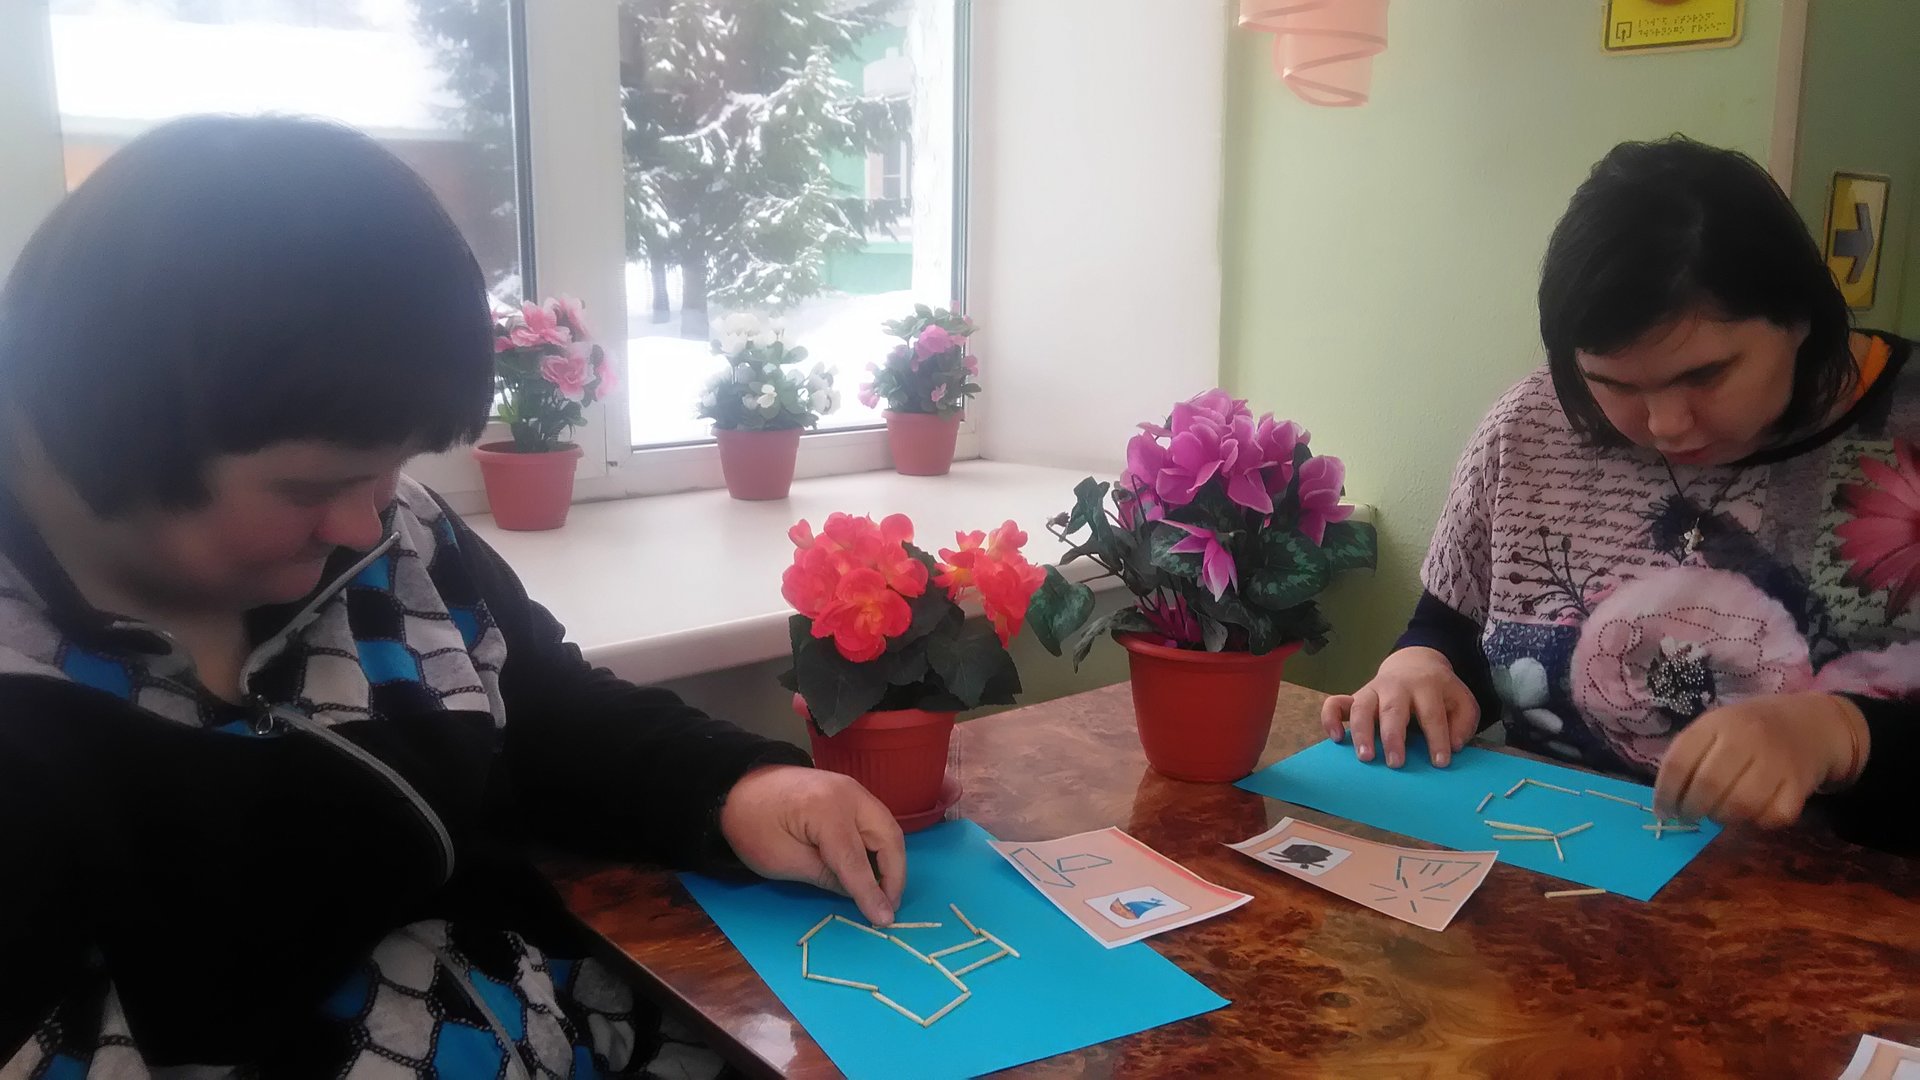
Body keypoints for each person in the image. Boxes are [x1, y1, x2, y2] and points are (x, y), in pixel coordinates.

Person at [0, 115, 906, 1077]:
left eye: (393, 467)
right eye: (310, 488)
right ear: (115, 426)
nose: (369, 523)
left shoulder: (398, 533)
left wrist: (740, 787)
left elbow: (546, 710)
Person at [1320, 136, 1917, 855]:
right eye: (1614, 384)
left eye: (1705, 375)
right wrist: (1419, 667)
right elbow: (1455, 628)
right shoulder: (1531, 425)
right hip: (1554, 868)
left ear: (1800, 317)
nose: (1665, 425)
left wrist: (1841, 733)